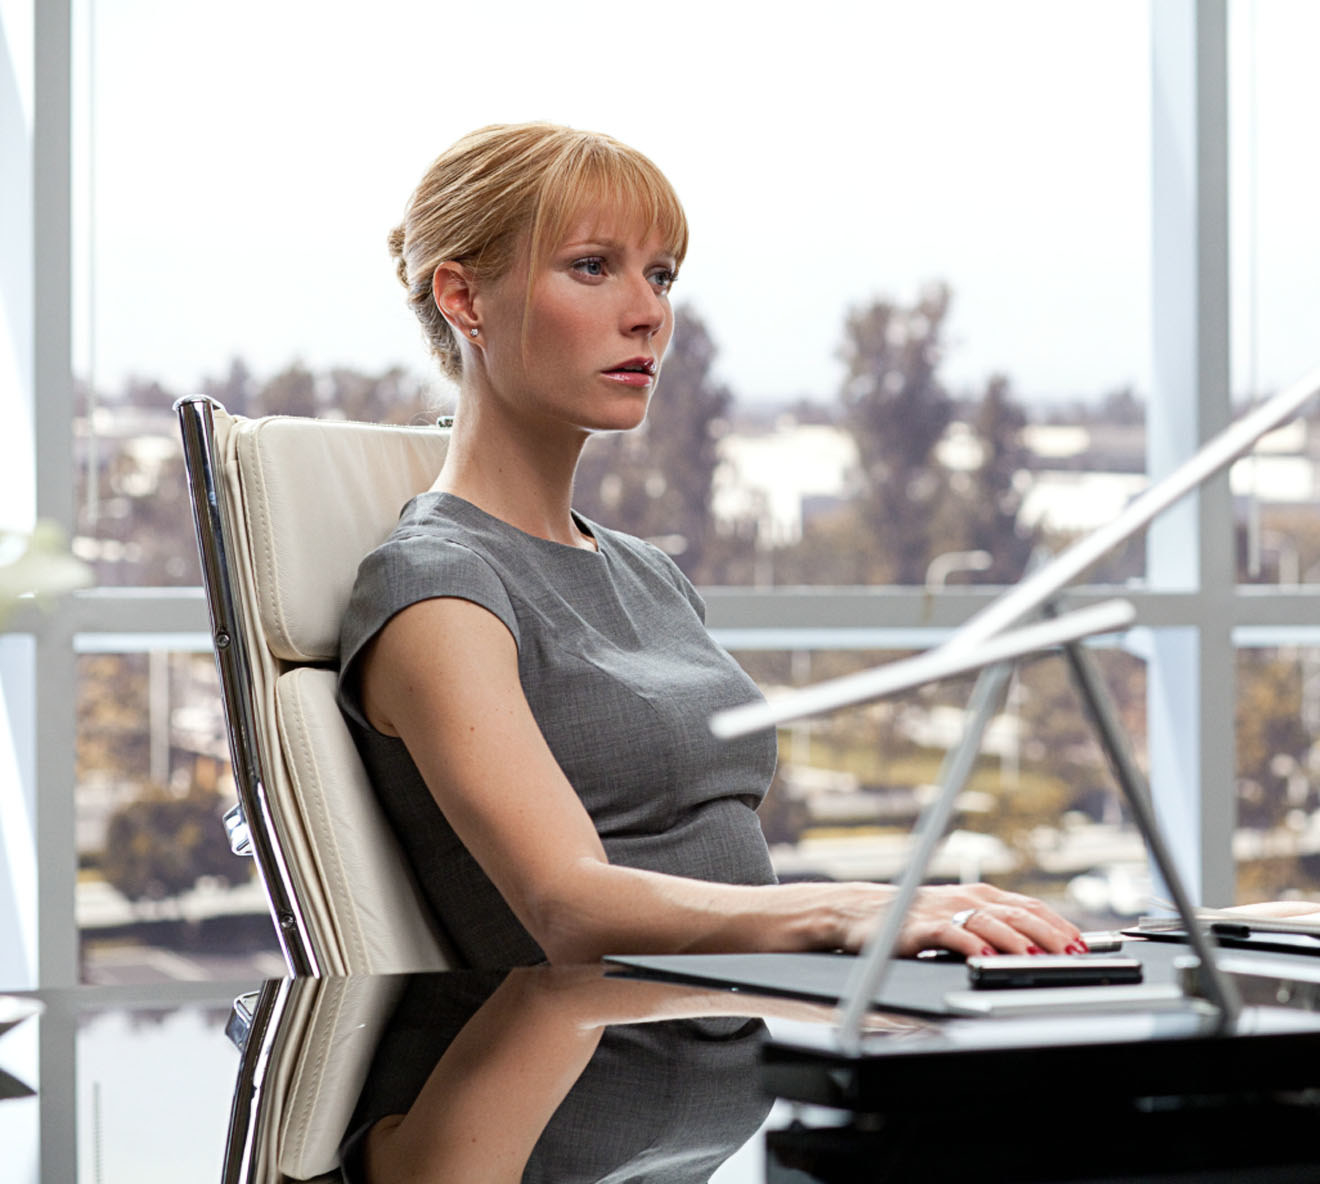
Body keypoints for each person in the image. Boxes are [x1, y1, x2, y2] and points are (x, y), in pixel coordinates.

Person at [338, 122, 1085, 968]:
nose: (647, 312)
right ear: (465, 300)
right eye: (592, 266)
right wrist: (847, 911)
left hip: (753, 1026)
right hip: (612, 1065)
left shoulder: (648, 575)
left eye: (660, 276)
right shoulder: (436, 588)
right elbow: (568, 904)